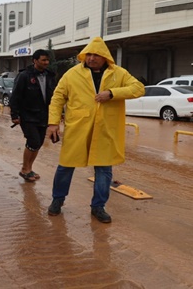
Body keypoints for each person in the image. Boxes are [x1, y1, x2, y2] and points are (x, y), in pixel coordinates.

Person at [45, 37, 144, 223]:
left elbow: (138, 88)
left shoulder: (118, 74)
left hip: (106, 129)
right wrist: (53, 123)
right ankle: (57, 200)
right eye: (88, 54)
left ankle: (98, 207)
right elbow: (58, 98)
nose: (91, 58)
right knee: (66, 166)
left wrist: (113, 93)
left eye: (96, 55)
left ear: (105, 56)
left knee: (104, 169)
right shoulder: (72, 74)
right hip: (78, 128)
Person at [9, 49, 57, 182]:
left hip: (44, 115)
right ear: (35, 61)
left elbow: (55, 97)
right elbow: (16, 96)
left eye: (47, 60)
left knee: (39, 143)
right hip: (28, 115)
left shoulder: (50, 76)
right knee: (33, 141)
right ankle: (25, 169)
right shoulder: (24, 76)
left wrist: (57, 115)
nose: (46, 63)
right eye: (43, 60)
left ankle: (29, 168)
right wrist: (15, 114)